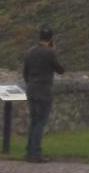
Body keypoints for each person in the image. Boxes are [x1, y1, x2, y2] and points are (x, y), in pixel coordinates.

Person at [22, 26, 65, 164]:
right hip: (44, 90)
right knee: (41, 122)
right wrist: (54, 51)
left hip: (31, 88)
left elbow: (25, 73)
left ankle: (29, 151)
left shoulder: (29, 52)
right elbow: (60, 70)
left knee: (33, 121)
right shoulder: (50, 53)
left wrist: (30, 83)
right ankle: (36, 153)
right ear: (51, 39)